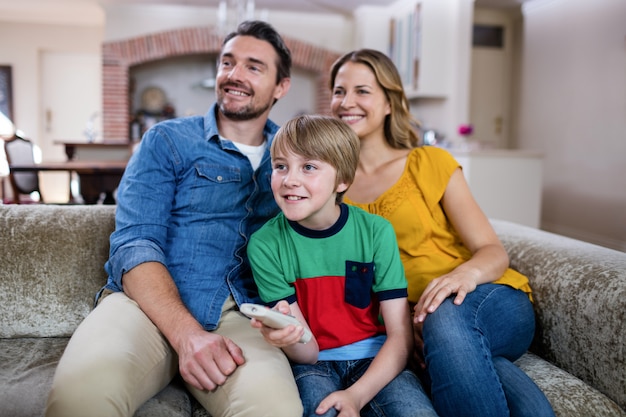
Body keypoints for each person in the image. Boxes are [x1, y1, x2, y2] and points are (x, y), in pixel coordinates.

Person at [45, 20, 303, 417]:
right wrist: (188, 337)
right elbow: (134, 244)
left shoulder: (297, 159)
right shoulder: (167, 140)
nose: (234, 75)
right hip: (145, 306)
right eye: (227, 63)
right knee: (82, 397)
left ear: (281, 87)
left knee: (277, 410)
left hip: (244, 316)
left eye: (254, 67)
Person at [329, 48, 556, 417]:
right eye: (339, 91)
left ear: (389, 102)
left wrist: (459, 278)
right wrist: (403, 326)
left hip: (488, 300)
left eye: (362, 91)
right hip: (422, 326)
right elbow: (349, 282)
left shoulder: (428, 162)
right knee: (500, 384)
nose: (346, 102)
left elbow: (492, 251)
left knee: (446, 317)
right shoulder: (328, 185)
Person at [246, 114, 438, 417]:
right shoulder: (265, 245)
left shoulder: (376, 232)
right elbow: (308, 354)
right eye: (280, 166)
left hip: (378, 361)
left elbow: (400, 340)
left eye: (308, 167)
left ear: (343, 180)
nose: (290, 179)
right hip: (315, 366)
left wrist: (356, 396)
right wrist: (287, 336)